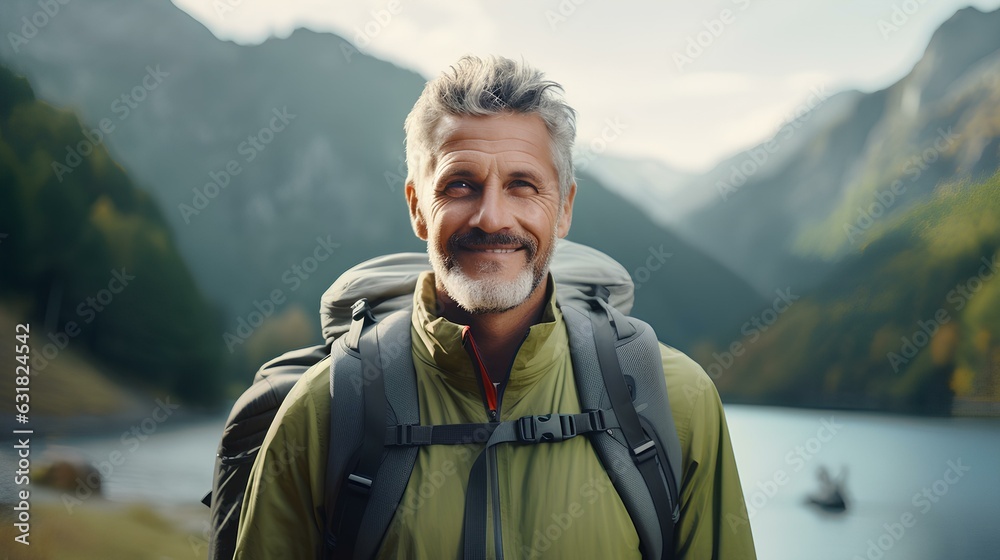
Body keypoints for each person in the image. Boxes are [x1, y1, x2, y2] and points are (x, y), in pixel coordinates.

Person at [234, 55, 756, 559]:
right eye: (461, 185)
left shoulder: (675, 402)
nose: (491, 217)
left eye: (522, 186)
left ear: (565, 209)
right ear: (418, 207)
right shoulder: (323, 411)